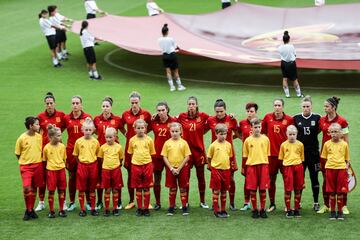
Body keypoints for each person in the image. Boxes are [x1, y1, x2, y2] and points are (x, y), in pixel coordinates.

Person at [318, 96, 350, 214]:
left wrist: (346, 159)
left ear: (333, 108)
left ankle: (344, 205)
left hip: (340, 157)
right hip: (326, 156)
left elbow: (346, 140)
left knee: (342, 182)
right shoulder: (321, 120)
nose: (324, 108)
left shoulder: (342, 121)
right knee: (326, 181)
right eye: (324, 106)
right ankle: (326, 205)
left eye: (327, 106)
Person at [35, 92, 66, 212]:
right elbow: (37, 130)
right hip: (45, 150)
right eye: (47, 103)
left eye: (51, 103)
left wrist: (58, 135)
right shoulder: (40, 116)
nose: (49, 105)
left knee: (61, 177)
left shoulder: (61, 115)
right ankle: (41, 202)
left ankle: (63, 203)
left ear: (54, 103)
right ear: (45, 104)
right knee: (42, 177)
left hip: (58, 149)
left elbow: (64, 127)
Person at [121, 91, 151, 210]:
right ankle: (132, 200)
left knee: (146, 175)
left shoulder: (146, 114)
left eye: (136, 102)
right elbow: (120, 125)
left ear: (140, 102)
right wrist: (126, 134)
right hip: (130, 148)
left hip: (143, 149)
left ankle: (146, 201)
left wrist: (143, 135)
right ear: (130, 102)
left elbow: (152, 125)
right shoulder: (125, 114)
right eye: (132, 102)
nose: (134, 105)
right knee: (130, 174)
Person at [262, 98, 293, 212]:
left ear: (283, 107)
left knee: (287, 180)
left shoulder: (289, 119)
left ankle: (287, 205)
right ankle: (272, 204)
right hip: (271, 155)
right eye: (275, 105)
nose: (277, 107)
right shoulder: (267, 117)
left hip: (286, 156)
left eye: (279, 105)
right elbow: (263, 131)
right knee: (271, 180)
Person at [207, 99, 239, 211]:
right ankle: (214, 204)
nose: (219, 113)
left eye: (221, 111)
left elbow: (238, 133)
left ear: (225, 110)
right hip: (215, 153)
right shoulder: (210, 120)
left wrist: (230, 139)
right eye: (217, 111)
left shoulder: (231, 119)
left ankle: (232, 202)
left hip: (229, 153)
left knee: (231, 178)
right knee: (215, 179)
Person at [177, 96, 209, 208]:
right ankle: (185, 202)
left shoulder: (203, 116)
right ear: (187, 105)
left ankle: (202, 201)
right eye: (189, 104)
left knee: (201, 177)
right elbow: (171, 121)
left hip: (199, 152)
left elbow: (213, 122)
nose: (191, 106)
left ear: (196, 105)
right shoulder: (182, 116)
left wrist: (202, 133)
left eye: (193, 104)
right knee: (186, 178)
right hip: (186, 153)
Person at [94, 97, 123, 210]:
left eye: (107, 106)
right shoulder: (96, 119)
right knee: (100, 178)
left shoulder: (117, 119)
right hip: (102, 152)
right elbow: (94, 131)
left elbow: (124, 131)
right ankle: (100, 201)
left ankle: (119, 200)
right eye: (103, 106)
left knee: (116, 179)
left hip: (114, 152)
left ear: (111, 107)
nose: (105, 108)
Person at [63, 96, 92, 212]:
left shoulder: (87, 117)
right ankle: (72, 202)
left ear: (81, 105)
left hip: (85, 150)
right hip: (70, 151)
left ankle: (89, 202)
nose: (75, 105)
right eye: (73, 103)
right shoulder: (66, 118)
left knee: (87, 177)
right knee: (72, 176)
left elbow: (92, 131)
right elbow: (57, 131)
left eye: (77, 103)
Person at [293, 96, 321, 211]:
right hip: (300, 154)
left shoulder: (317, 117)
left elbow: (320, 129)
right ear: (301, 107)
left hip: (314, 154)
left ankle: (316, 202)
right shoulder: (296, 118)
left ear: (311, 107)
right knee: (300, 178)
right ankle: (297, 203)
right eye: (304, 106)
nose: (306, 108)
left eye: (308, 106)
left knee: (314, 177)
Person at [15, 116, 44, 220]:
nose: (39, 125)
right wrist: (25, 161)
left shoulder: (39, 136)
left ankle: (30, 210)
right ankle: (28, 209)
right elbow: (17, 153)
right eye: (36, 124)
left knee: (34, 187)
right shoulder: (22, 138)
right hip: (26, 167)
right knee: (27, 188)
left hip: (38, 165)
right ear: (31, 126)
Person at [149, 102, 176, 210]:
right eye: (158, 110)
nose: (160, 112)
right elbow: (143, 130)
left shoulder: (173, 121)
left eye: (162, 110)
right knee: (157, 179)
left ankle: (172, 204)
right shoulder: (153, 121)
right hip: (157, 155)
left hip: (171, 155)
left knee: (172, 179)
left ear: (167, 110)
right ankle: (158, 203)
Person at [320, 123, 350, 220]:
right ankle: (333, 212)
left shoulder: (344, 144)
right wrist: (329, 166)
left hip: (341, 169)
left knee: (340, 191)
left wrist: (346, 168)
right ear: (329, 133)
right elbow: (324, 157)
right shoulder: (326, 144)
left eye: (336, 132)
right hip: (330, 169)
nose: (334, 134)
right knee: (332, 192)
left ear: (341, 133)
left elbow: (347, 159)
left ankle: (340, 212)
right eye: (332, 132)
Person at [161, 122, 191, 216]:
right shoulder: (167, 143)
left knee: (183, 188)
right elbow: (164, 157)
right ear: (170, 131)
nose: (174, 133)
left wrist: (179, 168)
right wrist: (171, 168)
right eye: (173, 131)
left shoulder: (184, 143)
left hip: (182, 168)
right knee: (172, 188)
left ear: (180, 131)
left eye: (176, 131)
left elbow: (187, 157)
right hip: (171, 169)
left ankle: (184, 207)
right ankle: (171, 207)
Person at [243, 118, 270, 219]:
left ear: (261, 127)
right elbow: (245, 155)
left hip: (263, 166)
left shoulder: (266, 139)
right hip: (252, 167)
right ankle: (254, 210)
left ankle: (262, 209)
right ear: (251, 128)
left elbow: (267, 153)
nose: (257, 129)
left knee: (263, 189)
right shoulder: (247, 140)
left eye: (259, 127)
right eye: (255, 127)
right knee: (253, 190)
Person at [128, 119, 156, 217]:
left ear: (145, 128)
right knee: (138, 188)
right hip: (136, 165)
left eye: (142, 128)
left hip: (147, 165)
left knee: (147, 187)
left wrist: (148, 164)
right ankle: (140, 208)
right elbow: (130, 153)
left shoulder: (149, 140)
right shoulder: (132, 140)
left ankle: (146, 208)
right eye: (138, 128)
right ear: (135, 129)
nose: (140, 130)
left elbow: (152, 153)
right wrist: (136, 162)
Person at [73, 117, 100, 217]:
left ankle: (93, 208)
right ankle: (82, 209)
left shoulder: (96, 142)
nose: (88, 132)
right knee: (81, 188)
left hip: (93, 166)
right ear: (82, 130)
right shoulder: (78, 142)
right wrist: (81, 163)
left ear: (93, 130)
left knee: (92, 188)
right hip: (82, 166)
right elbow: (76, 155)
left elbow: (98, 154)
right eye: (86, 130)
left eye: (89, 130)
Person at [279, 125, 305, 218]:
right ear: (286, 134)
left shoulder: (300, 144)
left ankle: (297, 209)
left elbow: (302, 158)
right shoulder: (283, 145)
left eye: (294, 134)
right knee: (288, 189)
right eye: (290, 134)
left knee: (298, 189)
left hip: (298, 167)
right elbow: (281, 158)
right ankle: (289, 209)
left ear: (297, 134)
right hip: (287, 168)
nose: (292, 136)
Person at [207, 124, 233, 218]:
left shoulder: (229, 145)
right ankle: (216, 211)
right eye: (221, 134)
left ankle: (223, 210)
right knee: (216, 190)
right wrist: (212, 167)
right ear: (216, 134)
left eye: (225, 134)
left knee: (224, 190)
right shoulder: (213, 145)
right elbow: (209, 158)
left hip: (226, 170)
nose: (223, 136)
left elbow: (229, 156)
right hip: (216, 170)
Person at [97, 127, 124, 217]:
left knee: (115, 189)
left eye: (110, 137)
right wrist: (106, 166)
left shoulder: (119, 147)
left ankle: (115, 208)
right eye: (107, 137)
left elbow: (121, 159)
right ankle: (107, 209)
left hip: (116, 170)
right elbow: (100, 159)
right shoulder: (102, 147)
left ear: (115, 137)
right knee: (107, 189)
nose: (108, 139)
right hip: (106, 170)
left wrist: (116, 165)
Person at [42, 125, 67, 218]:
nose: (60, 137)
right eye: (58, 136)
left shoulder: (62, 146)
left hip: (61, 170)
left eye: (60, 135)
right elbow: (44, 161)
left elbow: (64, 159)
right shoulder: (46, 148)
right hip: (51, 171)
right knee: (51, 191)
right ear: (51, 137)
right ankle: (51, 211)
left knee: (61, 190)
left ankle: (61, 210)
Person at [238, 102, 258, 211]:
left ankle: (259, 203)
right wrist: (242, 139)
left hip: (258, 156)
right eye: (248, 111)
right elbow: (237, 132)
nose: (249, 113)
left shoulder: (260, 123)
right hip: (246, 156)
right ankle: (247, 202)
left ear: (256, 112)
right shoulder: (242, 123)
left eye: (252, 111)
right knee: (247, 179)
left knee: (258, 179)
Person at [158, 24, 186, 92]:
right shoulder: (171, 39)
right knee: (175, 71)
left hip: (165, 55)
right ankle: (179, 86)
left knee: (168, 72)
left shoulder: (159, 39)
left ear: (162, 32)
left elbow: (161, 47)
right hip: (172, 55)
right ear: (167, 32)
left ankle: (172, 87)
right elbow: (175, 46)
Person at [278, 31, 304, 98]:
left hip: (283, 63)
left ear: (283, 40)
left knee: (284, 78)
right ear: (289, 39)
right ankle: (299, 94)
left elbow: (281, 55)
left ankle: (287, 95)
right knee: (294, 79)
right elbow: (295, 55)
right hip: (291, 64)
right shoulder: (291, 46)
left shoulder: (280, 47)